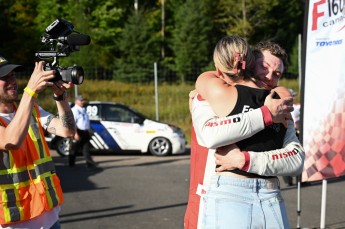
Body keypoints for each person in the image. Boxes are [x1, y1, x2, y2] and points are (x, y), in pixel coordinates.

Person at [184, 38, 305, 228]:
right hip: (221, 192)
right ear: (248, 64)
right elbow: (210, 135)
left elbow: (296, 159)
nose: (268, 76)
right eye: (264, 67)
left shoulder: (280, 105)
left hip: (270, 194)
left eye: (277, 73)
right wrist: (266, 115)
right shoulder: (211, 95)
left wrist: (245, 160)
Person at [0, 56, 76, 228]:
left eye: (13, 75)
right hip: (15, 224)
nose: (12, 80)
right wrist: (31, 91)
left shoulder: (31, 110)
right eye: (4, 77)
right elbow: (10, 141)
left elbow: (67, 130)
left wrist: (60, 97)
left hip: (50, 219)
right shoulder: (28, 103)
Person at [70, 95, 97, 168]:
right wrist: (75, 133)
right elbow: (73, 122)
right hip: (78, 131)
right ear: (76, 101)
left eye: (83, 100)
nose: (83, 102)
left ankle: (89, 162)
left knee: (86, 147)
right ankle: (71, 163)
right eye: (81, 100)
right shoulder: (74, 110)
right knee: (74, 148)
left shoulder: (83, 109)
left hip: (85, 131)